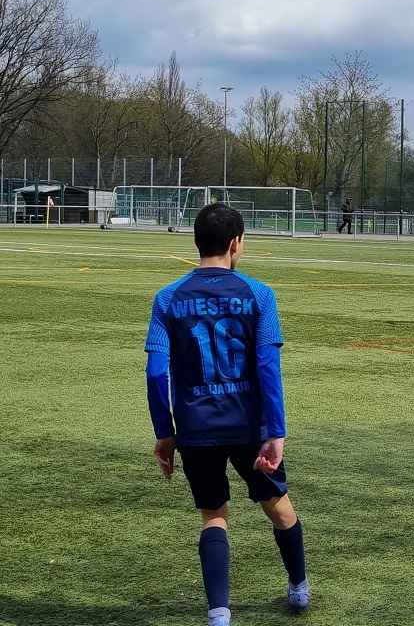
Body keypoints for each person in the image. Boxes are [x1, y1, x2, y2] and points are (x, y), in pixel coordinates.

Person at [145, 203, 310, 626]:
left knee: (214, 516)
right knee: (279, 508)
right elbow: (268, 366)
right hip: (250, 425)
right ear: (236, 243)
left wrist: (165, 431)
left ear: (196, 241)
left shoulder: (167, 298)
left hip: (196, 427)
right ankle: (298, 588)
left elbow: (156, 372)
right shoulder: (259, 294)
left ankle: (219, 614)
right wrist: (276, 431)